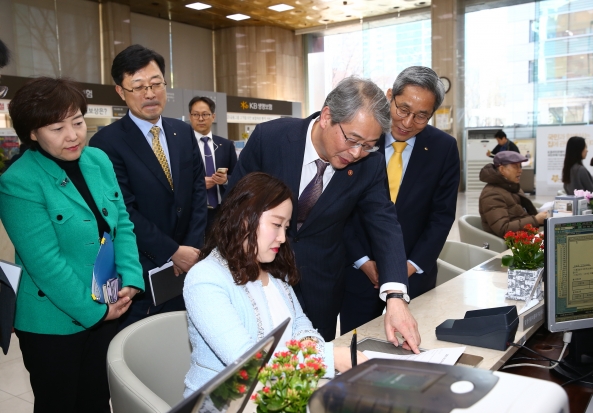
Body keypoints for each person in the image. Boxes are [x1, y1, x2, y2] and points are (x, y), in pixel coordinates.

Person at [228, 77, 421, 350]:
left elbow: (384, 222)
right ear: (327, 116)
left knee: (315, 371)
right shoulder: (270, 139)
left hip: (320, 285)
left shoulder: (370, 165)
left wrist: (396, 296)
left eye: (368, 145)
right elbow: (233, 209)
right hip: (257, 277)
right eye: (352, 139)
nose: (356, 153)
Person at [0, 77, 144, 412]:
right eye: (56, 128)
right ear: (33, 133)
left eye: (78, 122)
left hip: (108, 303)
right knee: (60, 403)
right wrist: (96, 312)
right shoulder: (18, 182)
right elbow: (45, 264)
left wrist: (131, 279)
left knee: (96, 398)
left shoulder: (98, 160)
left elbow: (121, 224)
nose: (72, 135)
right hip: (54, 320)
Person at [183, 172, 366, 396]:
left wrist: (315, 350)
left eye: (286, 228)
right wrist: (328, 358)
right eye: (277, 224)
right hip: (223, 402)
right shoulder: (205, 278)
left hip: (276, 392)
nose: (282, 238)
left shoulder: (272, 270)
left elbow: (300, 326)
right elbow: (248, 362)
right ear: (244, 218)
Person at [90, 44, 208, 328]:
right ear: (120, 91)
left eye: (156, 84)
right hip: (141, 273)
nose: (150, 93)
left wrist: (190, 248)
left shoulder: (182, 132)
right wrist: (172, 251)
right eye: (139, 87)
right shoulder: (106, 143)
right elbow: (123, 210)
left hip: (189, 266)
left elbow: (197, 192)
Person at [340, 66, 460, 334]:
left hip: (414, 273)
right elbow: (342, 208)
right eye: (402, 109)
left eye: (421, 116)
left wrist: (407, 267)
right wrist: (362, 261)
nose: (407, 122)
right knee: (355, 346)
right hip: (358, 272)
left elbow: (441, 216)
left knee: (416, 346)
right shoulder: (362, 139)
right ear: (390, 96)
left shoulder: (443, 148)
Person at [188, 96, 237, 238]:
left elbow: (238, 176)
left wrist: (226, 180)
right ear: (190, 117)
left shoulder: (226, 145)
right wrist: (197, 184)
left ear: (213, 116)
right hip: (194, 211)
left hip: (221, 211)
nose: (200, 119)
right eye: (196, 114)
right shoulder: (182, 145)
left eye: (205, 114)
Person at [479, 151, 547, 238]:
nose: (520, 171)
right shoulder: (492, 194)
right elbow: (503, 229)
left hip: (525, 235)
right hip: (511, 245)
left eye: (520, 166)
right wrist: (536, 220)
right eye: (515, 167)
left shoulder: (512, 187)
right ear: (502, 169)